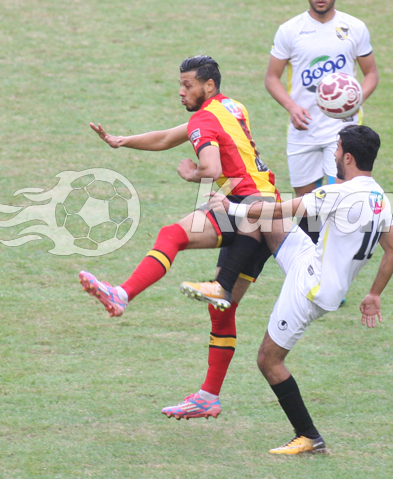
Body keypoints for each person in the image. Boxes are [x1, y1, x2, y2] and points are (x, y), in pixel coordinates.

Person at [79, 55, 281, 420]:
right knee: (221, 307)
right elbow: (169, 136)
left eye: (187, 85)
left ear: (208, 86)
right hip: (263, 208)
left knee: (173, 234)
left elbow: (210, 168)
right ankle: (208, 396)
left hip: (245, 206)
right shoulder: (231, 108)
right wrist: (121, 141)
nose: (181, 91)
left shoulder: (204, 119)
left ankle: (122, 293)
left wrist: (192, 175)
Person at [205, 124, 393, 454]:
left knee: (269, 360)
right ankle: (224, 286)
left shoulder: (339, 193)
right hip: (311, 260)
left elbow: (285, 209)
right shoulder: (380, 197)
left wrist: (232, 208)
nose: (333, 154)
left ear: (348, 157)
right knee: (266, 213)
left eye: (337, 150)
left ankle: (308, 435)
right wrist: (374, 293)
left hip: (311, 287)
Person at [264, 0, 379, 244]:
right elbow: (271, 78)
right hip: (303, 128)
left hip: (342, 130)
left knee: (338, 197)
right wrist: (291, 107)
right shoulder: (290, 30)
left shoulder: (354, 28)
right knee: (304, 203)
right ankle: (313, 258)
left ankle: (337, 258)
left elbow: (371, 74)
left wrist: (353, 100)